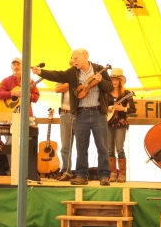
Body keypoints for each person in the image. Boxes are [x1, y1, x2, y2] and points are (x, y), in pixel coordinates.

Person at [32, 48, 113, 186]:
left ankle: (104, 175)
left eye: (76, 58)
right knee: (81, 147)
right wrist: (41, 72)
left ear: (85, 56)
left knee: (102, 146)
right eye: (73, 58)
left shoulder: (99, 69)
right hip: (81, 113)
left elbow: (110, 88)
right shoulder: (73, 72)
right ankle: (82, 175)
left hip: (99, 113)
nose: (73, 61)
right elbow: (58, 75)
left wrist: (101, 81)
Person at [0, 57, 40, 170]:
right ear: (11, 67)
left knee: (29, 142)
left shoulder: (30, 81)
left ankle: (28, 170)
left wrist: (28, 95)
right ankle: (13, 169)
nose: (16, 67)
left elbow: (36, 97)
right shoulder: (6, 81)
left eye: (18, 64)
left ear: (23, 67)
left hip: (26, 116)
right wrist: (12, 93)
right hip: (11, 117)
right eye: (14, 65)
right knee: (10, 143)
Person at [107, 68, 136, 182]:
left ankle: (122, 174)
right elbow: (101, 106)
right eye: (113, 79)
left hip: (121, 123)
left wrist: (123, 108)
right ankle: (112, 173)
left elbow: (133, 109)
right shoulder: (106, 93)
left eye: (117, 80)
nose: (114, 82)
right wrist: (108, 108)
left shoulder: (127, 93)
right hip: (108, 122)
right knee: (109, 149)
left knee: (119, 148)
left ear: (121, 81)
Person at [55, 82, 75, 181]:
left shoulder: (85, 76)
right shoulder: (63, 77)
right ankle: (66, 172)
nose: (74, 65)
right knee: (65, 146)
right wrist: (71, 81)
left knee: (82, 147)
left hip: (80, 114)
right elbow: (57, 89)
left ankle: (81, 173)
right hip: (65, 113)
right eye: (72, 64)